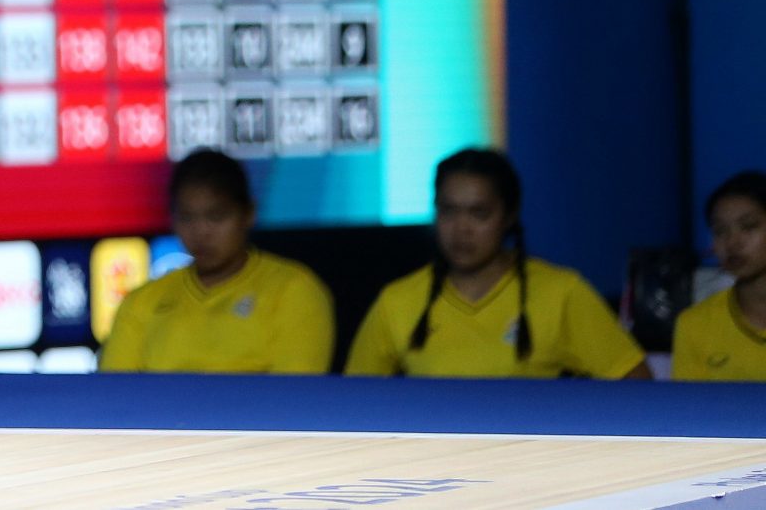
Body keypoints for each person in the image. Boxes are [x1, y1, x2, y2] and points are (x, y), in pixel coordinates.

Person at [345, 147, 649, 380]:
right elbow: (351, 401)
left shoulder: (560, 293)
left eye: (479, 213)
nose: (461, 229)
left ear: (509, 216)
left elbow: (636, 383)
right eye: (449, 211)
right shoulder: (397, 302)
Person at [99, 149, 333, 374]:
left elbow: (295, 401)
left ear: (248, 214)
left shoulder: (294, 291)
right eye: (187, 217)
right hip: (159, 416)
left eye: (216, 216)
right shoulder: (142, 302)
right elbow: (114, 397)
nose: (201, 232)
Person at [671, 170, 766, 381]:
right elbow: (692, 409)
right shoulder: (694, 325)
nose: (733, 242)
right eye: (720, 231)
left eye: (748, 226)